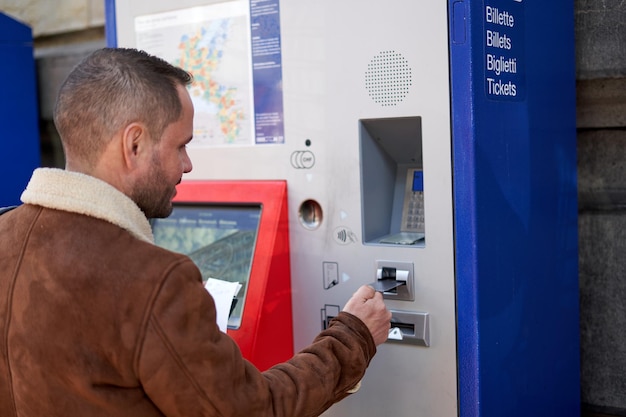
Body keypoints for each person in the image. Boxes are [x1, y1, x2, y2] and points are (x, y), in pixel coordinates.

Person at [0, 47, 391, 416]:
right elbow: (254, 410)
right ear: (133, 144)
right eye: (181, 146)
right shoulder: (151, 282)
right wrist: (352, 338)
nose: (187, 166)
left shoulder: (5, 235)